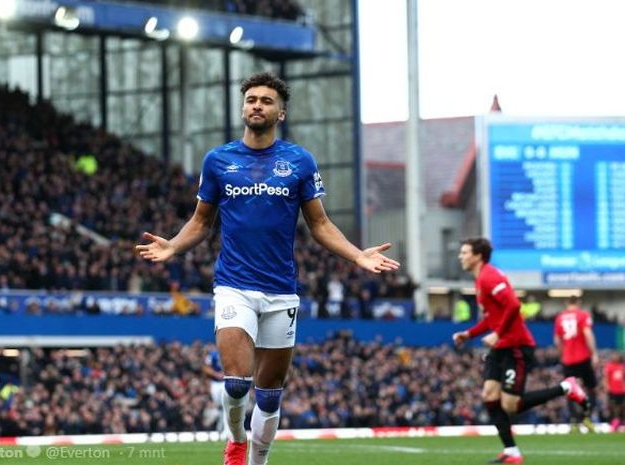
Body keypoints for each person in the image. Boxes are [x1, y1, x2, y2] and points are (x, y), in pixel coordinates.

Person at [136, 71, 400, 465]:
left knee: (270, 393)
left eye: (266, 101)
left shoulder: (298, 161)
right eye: (251, 99)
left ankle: (258, 461)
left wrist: (357, 254)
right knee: (238, 383)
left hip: (280, 292)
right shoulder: (219, 160)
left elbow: (320, 224)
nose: (256, 105)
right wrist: (173, 245)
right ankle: (236, 441)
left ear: (281, 112)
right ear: (244, 107)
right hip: (234, 286)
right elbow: (202, 221)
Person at [452, 238, 588, 465]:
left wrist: (498, 333)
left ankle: (567, 387)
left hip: (516, 345)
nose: (460, 256)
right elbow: (491, 317)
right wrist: (470, 334)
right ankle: (512, 452)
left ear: (477, 255)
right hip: (500, 347)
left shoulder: (489, 276)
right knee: (489, 396)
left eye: (464, 252)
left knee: (510, 405)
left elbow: (514, 304)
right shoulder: (479, 280)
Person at [554, 295, 598, 432]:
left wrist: (562, 355)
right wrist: (594, 353)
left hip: (567, 360)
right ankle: (587, 417)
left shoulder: (560, 318)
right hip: (583, 358)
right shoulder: (583, 315)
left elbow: (557, 340)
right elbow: (588, 333)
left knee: (570, 389)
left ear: (566, 303)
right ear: (578, 302)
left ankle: (573, 421)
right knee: (591, 388)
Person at [203, 345, 226, 433]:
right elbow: (205, 368)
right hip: (215, 383)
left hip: (225, 381)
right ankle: (218, 426)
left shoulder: (230, 353)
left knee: (225, 405)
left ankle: (224, 428)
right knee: (217, 405)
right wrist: (216, 374)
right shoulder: (213, 354)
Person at [604, 352, 625, 431]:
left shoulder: (622, 366)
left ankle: (620, 421)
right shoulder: (609, 366)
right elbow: (606, 378)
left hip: (621, 390)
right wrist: (607, 387)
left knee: (622, 406)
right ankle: (615, 421)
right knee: (614, 406)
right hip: (613, 390)